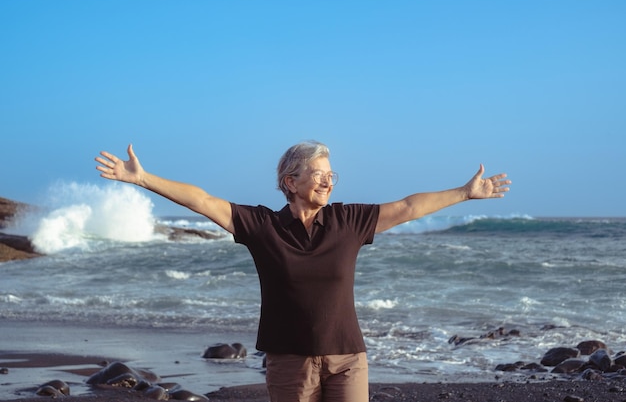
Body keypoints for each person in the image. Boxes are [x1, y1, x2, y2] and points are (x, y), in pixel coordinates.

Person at [95, 141, 510, 402]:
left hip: (347, 357)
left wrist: (464, 193)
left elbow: (407, 207)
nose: (328, 182)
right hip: (289, 360)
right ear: (290, 181)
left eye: (332, 176)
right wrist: (145, 179)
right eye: (319, 175)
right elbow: (204, 201)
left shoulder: (349, 222)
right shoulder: (262, 226)